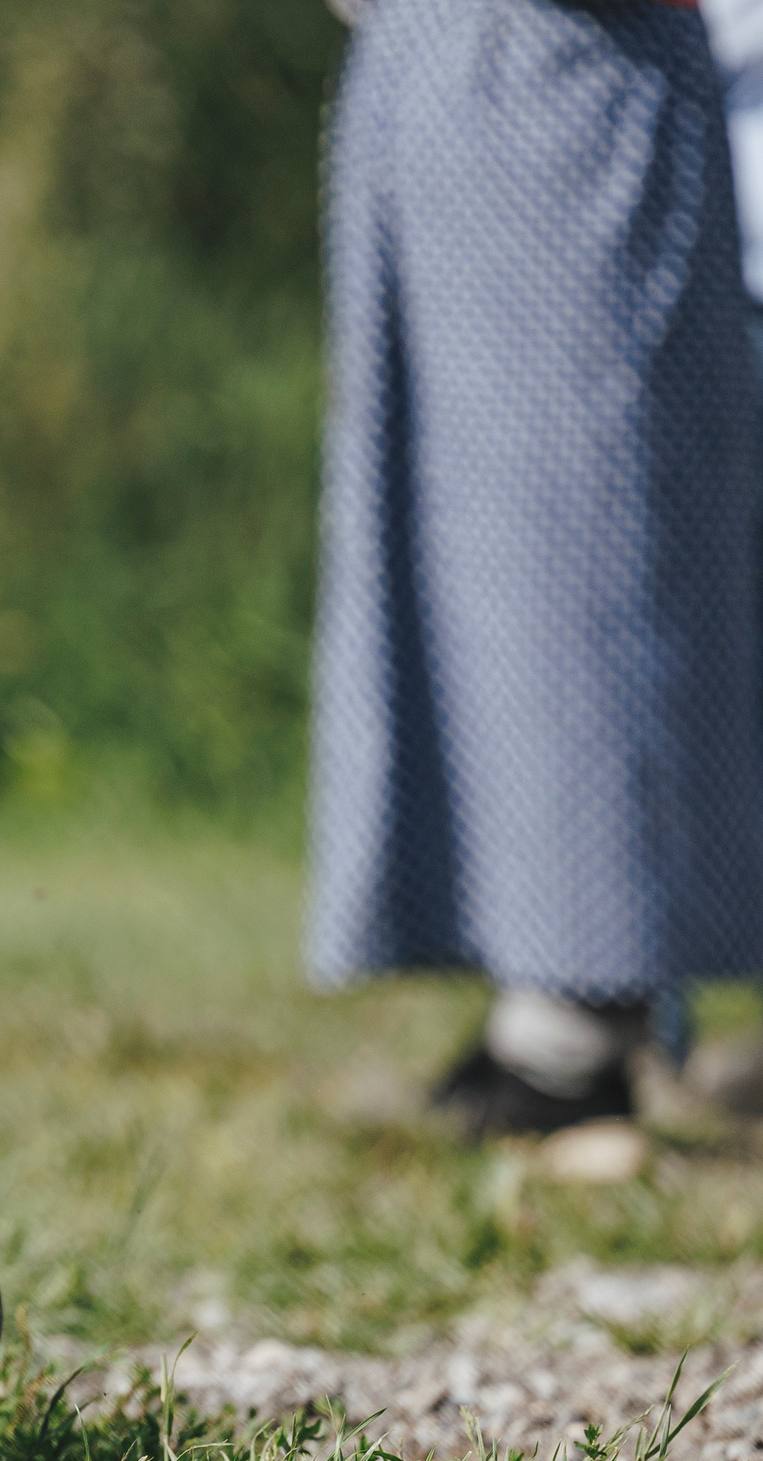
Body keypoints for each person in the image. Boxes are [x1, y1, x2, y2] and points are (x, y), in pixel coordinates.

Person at [310, 0, 763, 1137]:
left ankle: (580, 1033)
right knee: (495, 566)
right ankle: (570, 1011)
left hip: (571, 69)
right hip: (476, 71)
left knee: (588, 555)